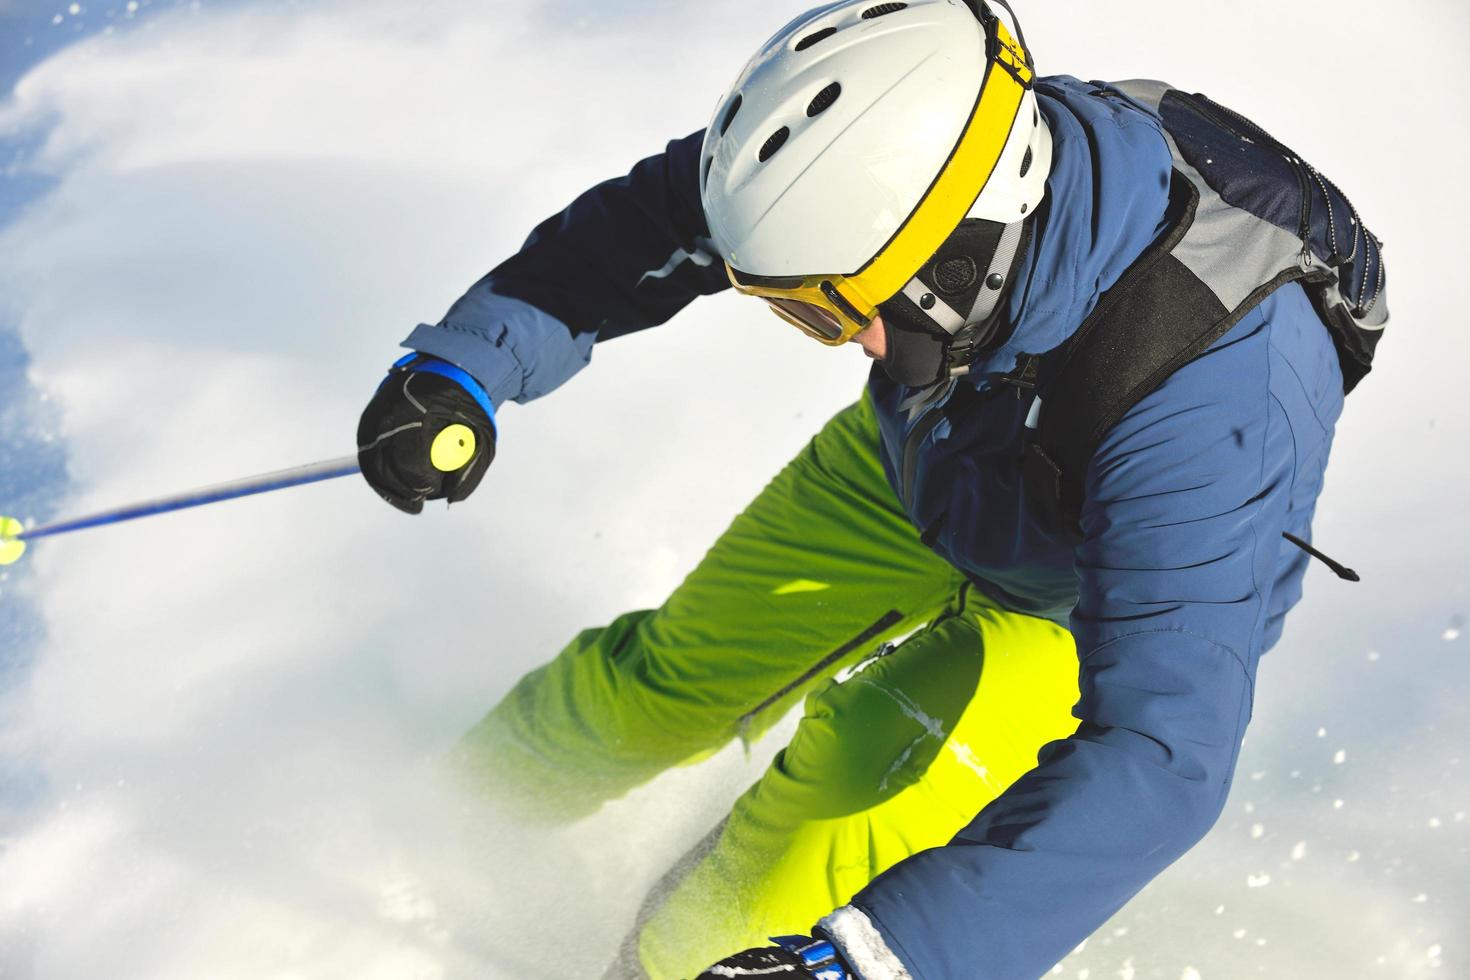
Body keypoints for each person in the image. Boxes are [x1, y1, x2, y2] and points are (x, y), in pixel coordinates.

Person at [356, 1, 1385, 976]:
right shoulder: (901, 158)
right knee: (659, 683)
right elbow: (668, 219)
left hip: (1085, 595)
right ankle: (429, 831)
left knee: (834, 809)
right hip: (925, 462)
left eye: (830, 310)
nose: (841, 337)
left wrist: (870, 958)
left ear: (960, 254)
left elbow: (1163, 756)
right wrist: (469, 365)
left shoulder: (1214, 405)